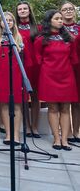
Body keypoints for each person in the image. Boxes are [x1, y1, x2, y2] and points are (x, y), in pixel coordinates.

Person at [35, 9, 78, 151]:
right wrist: (48, 71)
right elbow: (38, 59)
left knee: (65, 108)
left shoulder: (69, 38)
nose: (61, 21)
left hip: (67, 76)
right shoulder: (41, 39)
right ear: (49, 21)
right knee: (53, 108)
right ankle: (56, 139)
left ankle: (65, 140)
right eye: (57, 18)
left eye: (61, 18)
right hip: (49, 77)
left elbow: (73, 58)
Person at [0, 12, 25, 145]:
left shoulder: (19, 38)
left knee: (17, 104)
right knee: (4, 104)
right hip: (0, 75)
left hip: (16, 74)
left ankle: (16, 134)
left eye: (10, 20)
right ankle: (8, 134)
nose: (8, 22)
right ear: (0, 23)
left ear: (14, 23)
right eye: (5, 20)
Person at [15, 1, 40, 137]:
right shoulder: (14, 28)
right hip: (20, 65)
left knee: (35, 96)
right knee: (23, 96)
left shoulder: (38, 28)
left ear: (29, 11)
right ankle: (27, 126)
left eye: (25, 8)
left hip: (35, 66)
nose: (23, 11)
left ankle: (35, 126)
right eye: (20, 9)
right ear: (17, 12)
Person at [59, 1, 80, 143]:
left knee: (78, 101)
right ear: (60, 12)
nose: (68, 11)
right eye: (65, 9)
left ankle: (76, 131)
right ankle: (65, 132)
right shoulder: (57, 30)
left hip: (78, 67)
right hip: (63, 68)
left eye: (70, 9)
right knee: (65, 102)